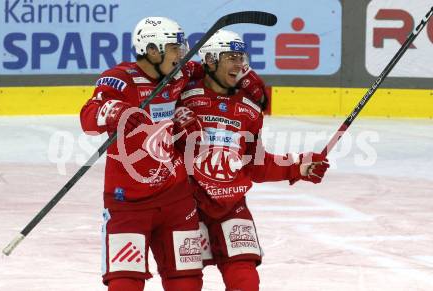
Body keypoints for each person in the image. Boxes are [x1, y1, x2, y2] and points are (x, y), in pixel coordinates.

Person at [173, 30, 330, 291]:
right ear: (210, 59)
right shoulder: (181, 95)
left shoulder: (250, 107)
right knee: (184, 283)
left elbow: (255, 163)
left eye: (241, 57)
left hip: (231, 205)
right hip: (185, 205)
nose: (239, 64)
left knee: (245, 281)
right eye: (230, 57)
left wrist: (299, 166)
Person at [80, 16, 205, 291]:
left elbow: (210, 72)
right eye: (175, 48)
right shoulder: (120, 79)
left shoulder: (181, 73)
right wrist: (117, 111)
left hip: (176, 200)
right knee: (124, 283)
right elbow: (88, 119)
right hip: (128, 201)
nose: (181, 54)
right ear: (152, 50)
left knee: (187, 283)